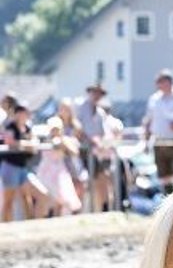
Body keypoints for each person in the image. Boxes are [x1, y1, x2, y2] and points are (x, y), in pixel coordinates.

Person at [2, 104, 49, 221]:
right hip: (10, 167)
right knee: (9, 200)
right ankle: (5, 225)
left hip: (23, 167)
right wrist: (25, 144)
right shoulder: (10, 126)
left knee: (27, 197)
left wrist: (25, 144)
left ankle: (30, 222)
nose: (26, 116)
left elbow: (34, 142)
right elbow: (10, 142)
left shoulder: (27, 127)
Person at [76, 83, 115, 212]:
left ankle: (103, 209)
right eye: (95, 92)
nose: (97, 95)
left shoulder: (100, 112)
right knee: (86, 182)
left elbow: (104, 133)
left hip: (97, 152)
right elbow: (77, 127)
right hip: (83, 151)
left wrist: (102, 142)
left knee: (102, 180)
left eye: (99, 93)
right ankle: (87, 210)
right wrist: (90, 139)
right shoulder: (81, 107)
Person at [35, 115, 83, 217]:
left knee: (63, 199)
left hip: (60, 173)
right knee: (48, 199)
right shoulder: (45, 140)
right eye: (53, 129)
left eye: (57, 129)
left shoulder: (64, 140)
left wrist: (63, 143)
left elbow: (75, 152)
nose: (55, 131)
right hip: (45, 173)